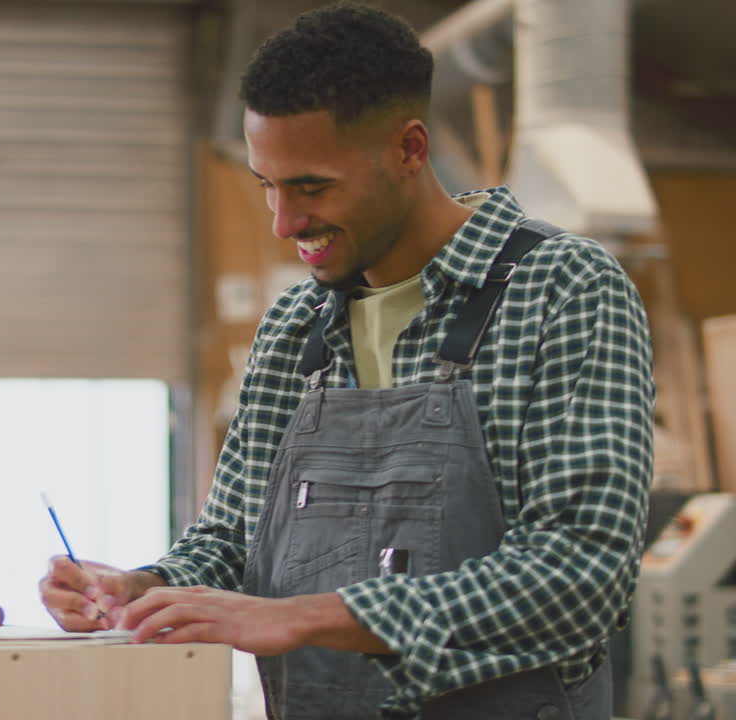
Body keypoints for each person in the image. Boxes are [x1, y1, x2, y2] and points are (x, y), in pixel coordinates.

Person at [38, 3, 654, 718]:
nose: (283, 224)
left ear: (410, 149)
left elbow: (581, 574)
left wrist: (309, 617)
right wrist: (146, 589)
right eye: (267, 184)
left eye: (311, 186)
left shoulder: (563, 289)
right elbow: (231, 541)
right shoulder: (296, 327)